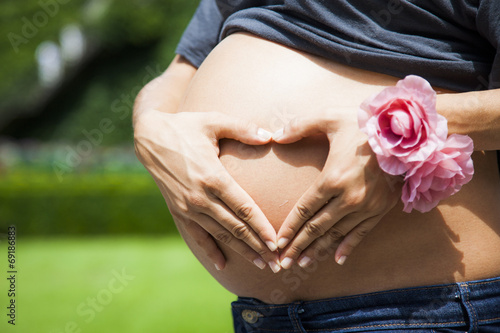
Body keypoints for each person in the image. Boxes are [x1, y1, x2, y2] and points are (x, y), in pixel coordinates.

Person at [133, 1, 500, 331]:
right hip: (261, 318)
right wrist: (149, 128)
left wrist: (403, 128)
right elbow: (177, 74)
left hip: (424, 310)